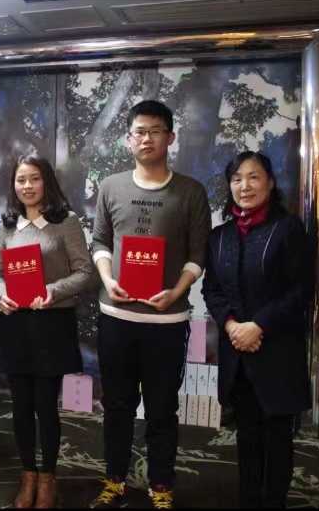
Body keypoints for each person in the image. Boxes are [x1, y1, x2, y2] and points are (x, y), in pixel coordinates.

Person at [89, 100, 211, 509]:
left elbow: (198, 252)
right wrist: (108, 279)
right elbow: (100, 240)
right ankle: (114, 481)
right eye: (139, 132)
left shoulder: (191, 191)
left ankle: (162, 487)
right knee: (117, 406)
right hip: (117, 317)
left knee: (162, 409)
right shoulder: (111, 186)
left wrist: (177, 291)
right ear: (128, 139)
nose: (147, 138)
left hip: (167, 320)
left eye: (155, 131)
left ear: (170, 137)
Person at [202, 151, 312, 508]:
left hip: (277, 350)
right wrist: (232, 325)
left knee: (277, 437)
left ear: (270, 183)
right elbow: (212, 290)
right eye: (236, 179)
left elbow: (301, 290)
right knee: (246, 435)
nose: (244, 186)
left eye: (253, 177)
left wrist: (258, 325)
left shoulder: (288, 229)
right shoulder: (220, 236)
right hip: (238, 352)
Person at [0, 155, 94, 508]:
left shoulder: (66, 221)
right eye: (21, 180)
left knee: (45, 407)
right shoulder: (7, 223)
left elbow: (84, 272)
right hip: (15, 324)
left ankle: (48, 477)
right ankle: (28, 475)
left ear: (46, 181)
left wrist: (53, 290)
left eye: (34, 178)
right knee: (20, 407)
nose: (27, 186)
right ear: (13, 185)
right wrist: (0, 295)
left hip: (51, 324)